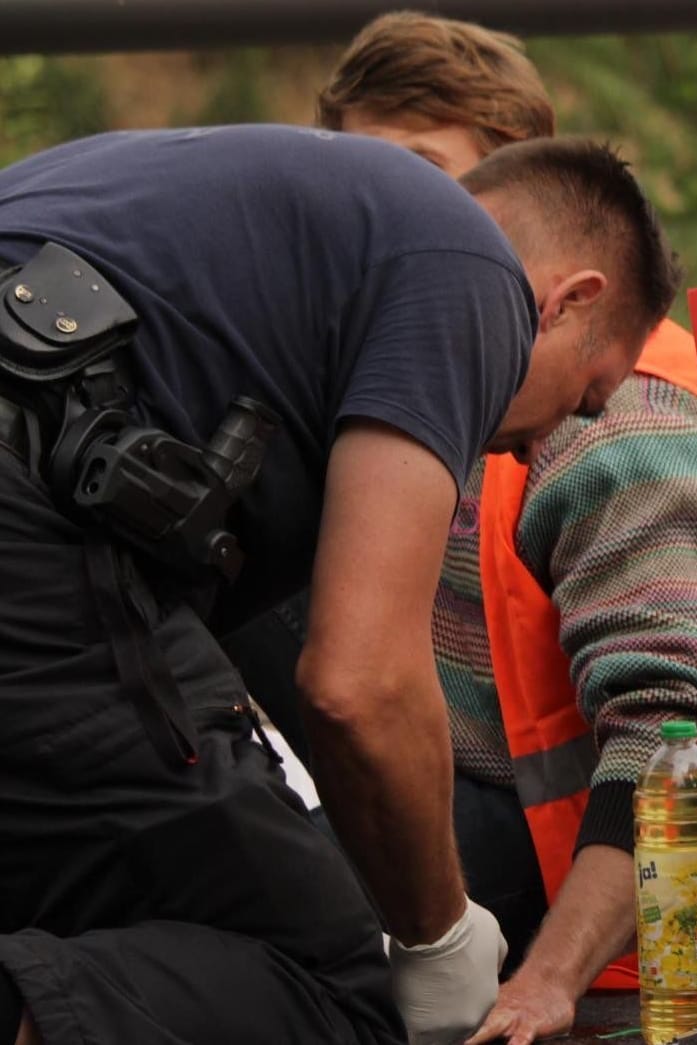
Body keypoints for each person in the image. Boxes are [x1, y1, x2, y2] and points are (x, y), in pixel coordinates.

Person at [0, 124, 649, 1045]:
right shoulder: (472, 274)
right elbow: (359, 683)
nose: (544, 444)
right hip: (30, 524)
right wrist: (438, 937)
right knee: (327, 980)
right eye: (587, 395)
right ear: (566, 303)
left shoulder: (211, 202)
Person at [293, 14, 697, 1045]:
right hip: (521, 859)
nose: (384, 225)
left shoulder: (614, 420)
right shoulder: (427, 369)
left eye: (422, 180)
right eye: (356, 186)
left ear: (521, 187)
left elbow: (663, 732)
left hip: (663, 921)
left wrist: (541, 984)